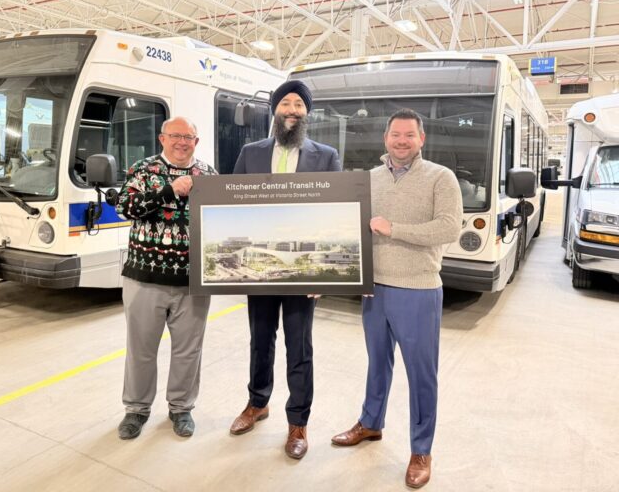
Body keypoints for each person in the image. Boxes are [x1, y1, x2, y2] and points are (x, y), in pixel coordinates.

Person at [330, 108, 462, 488]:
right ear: (385, 138)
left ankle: (421, 450)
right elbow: (352, 229)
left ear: (421, 139)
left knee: (421, 374)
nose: (401, 141)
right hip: (374, 288)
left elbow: (449, 228)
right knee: (377, 363)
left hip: (417, 289)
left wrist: (394, 229)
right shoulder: (369, 179)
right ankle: (371, 422)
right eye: (395, 134)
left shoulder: (440, 177)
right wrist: (332, 274)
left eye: (409, 135)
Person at [229, 79, 341, 460]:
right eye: (285, 103)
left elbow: (335, 214)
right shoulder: (250, 153)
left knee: (299, 345)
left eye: (299, 105)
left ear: (307, 113)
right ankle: (257, 403)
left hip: (302, 269)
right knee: (260, 340)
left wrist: (322, 270)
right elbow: (232, 207)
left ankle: (298, 422)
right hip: (258, 266)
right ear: (274, 110)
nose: (292, 110)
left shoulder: (326, 156)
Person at [115, 116, 217, 440]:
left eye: (188, 137)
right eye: (175, 136)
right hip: (144, 279)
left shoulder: (209, 175)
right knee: (141, 349)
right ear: (162, 139)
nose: (182, 142)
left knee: (188, 351)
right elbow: (124, 207)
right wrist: (168, 191)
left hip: (192, 282)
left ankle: (181, 408)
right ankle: (136, 409)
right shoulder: (143, 170)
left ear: (196, 142)